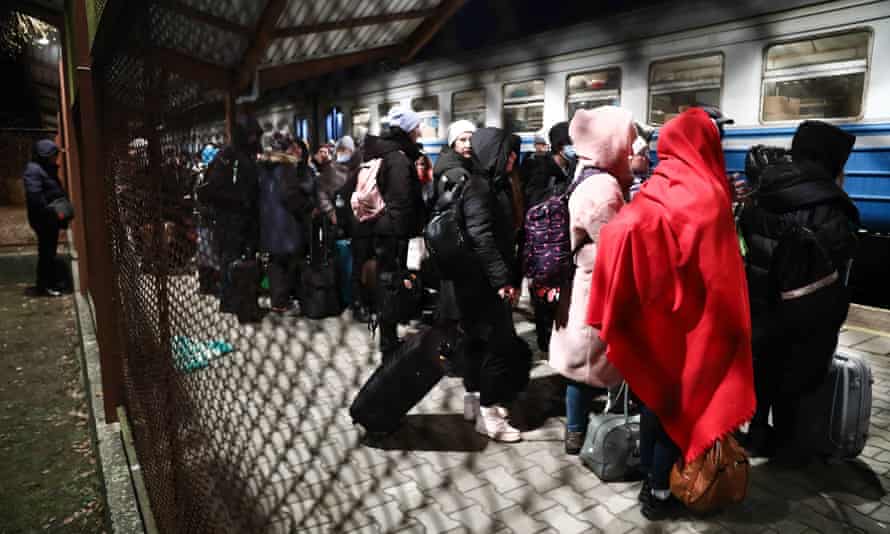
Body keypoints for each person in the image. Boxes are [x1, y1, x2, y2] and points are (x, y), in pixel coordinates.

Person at [587, 107, 755, 519]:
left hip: (658, 321)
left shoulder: (655, 186)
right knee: (691, 406)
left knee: (656, 404)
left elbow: (621, 233)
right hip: (701, 326)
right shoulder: (711, 194)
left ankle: (656, 490)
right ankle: (689, 480)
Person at [739, 120, 859, 461]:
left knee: (762, 372)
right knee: (798, 383)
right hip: (807, 320)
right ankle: (790, 448)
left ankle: (757, 434)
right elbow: (839, 265)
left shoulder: (762, 192)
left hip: (761, 308)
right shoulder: (831, 206)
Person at [547, 106, 634, 454]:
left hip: (582, 282)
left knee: (583, 364)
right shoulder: (602, 187)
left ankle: (577, 428)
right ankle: (577, 432)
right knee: (584, 366)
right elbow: (616, 240)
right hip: (592, 285)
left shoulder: (587, 173)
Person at [454, 127, 527, 442]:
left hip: (474, 279)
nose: (512, 158)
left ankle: (474, 402)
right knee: (499, 344)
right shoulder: (480, 189)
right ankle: (490, 415)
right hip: (484, 282)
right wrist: (502, 280)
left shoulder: (486, 184)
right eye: (506, 152)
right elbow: (481, 236)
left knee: (476, 341)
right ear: (492, 154)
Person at [361, 107, 425, 357]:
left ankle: (389, 336)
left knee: (388, 282)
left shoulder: (387, 153)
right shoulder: (398, 159)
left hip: (385, 229)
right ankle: (388, 343)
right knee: (391, 283)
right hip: (394, 233)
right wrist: (406, 236)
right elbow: (401, 202)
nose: (420, 131)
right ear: (408, 129)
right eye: (416, 127)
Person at [521, 121, 576, 353]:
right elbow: (533, 200)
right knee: (544, 296)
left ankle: (557, 338)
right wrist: (560, 193)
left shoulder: (572, 166)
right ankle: (546, 341)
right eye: (569, 144)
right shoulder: (541, 168)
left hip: (561, 240)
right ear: (558, 146)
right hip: (542, 244)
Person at [198, 115, 261, 308]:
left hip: (243, 217)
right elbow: (212, 190)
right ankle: (230, 298)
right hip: (230, 219)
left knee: (238, 257)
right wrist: (238, 200)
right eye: (253, 136)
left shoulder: (243, 155)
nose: (256, 140)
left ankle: (238, 296)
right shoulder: (228, 156)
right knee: (229, 258)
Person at [257, 134, 315, 315]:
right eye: (292, 147)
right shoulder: (287, 167)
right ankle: (286, 299)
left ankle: (278, 301)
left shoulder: (265, 168)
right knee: (290, 262)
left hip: (270, 222)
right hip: (286, 223)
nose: (295, 150)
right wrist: (306, 207)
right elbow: (289, 195)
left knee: (275, 262)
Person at [431, 120, 478, 333]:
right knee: (456, 299)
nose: (468, 144)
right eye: (462, 140)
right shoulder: (456, 173)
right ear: (453, 143)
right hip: (456, 242)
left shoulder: (459, 166)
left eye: (471, 139)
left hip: (450, 242)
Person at [23, 139, 68, 296]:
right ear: (44, 156)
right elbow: (35, 197)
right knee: (46, 252)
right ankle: (45, 285)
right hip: (43, 219)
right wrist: (51, 210)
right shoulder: (33, 170)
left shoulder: (44, 168)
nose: (55, 158)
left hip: (49, 218)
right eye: (53, 155)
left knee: (49, 251)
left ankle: (48, 283)